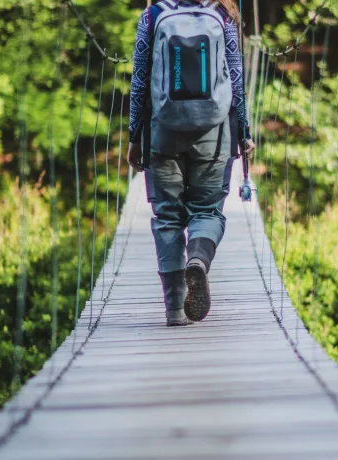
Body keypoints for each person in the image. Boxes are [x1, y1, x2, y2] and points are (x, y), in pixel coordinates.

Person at [127, 0, 256, 327]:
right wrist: (244, 130)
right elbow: (236, 79)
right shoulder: (223, 15)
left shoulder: (153, 16)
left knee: (167, 216)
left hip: (164, 130)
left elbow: (140, 80)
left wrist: (134, 135)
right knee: (207, 211)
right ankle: (198, 259)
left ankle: (174, 309)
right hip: (212, 133)